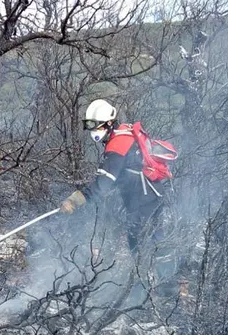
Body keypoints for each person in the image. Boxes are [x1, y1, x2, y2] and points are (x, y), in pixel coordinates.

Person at [59, 99, 166, 255]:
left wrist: (75, 200)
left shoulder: (118, 145)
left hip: (143, 199)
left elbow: (103, 183)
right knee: (154, 239)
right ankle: (160, 272)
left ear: (109, 123)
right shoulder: (123, 133)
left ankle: (147, 275)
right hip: (151, 194)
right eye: (90, 125)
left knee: (140, 244)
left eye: (97, 125)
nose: (94, 130)